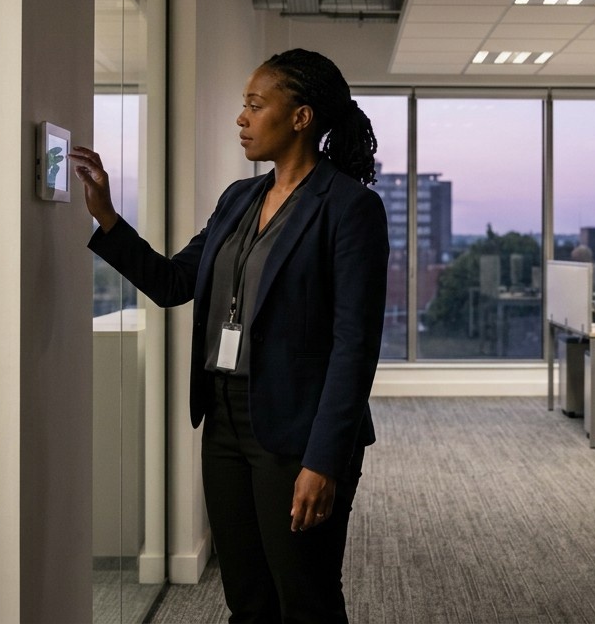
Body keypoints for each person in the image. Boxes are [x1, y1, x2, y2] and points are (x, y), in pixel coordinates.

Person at [69, 48, 388, 624]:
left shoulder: (349, 208)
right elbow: (173, 283)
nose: (241, 117)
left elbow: (355, 347)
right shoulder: (238, 199)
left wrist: (324, 460)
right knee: (247, 596)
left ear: (301, 118)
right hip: (223, 421)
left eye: (254, 104)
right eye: (243, 104)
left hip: (298, 429)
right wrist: (107, 219)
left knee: (306, 596)